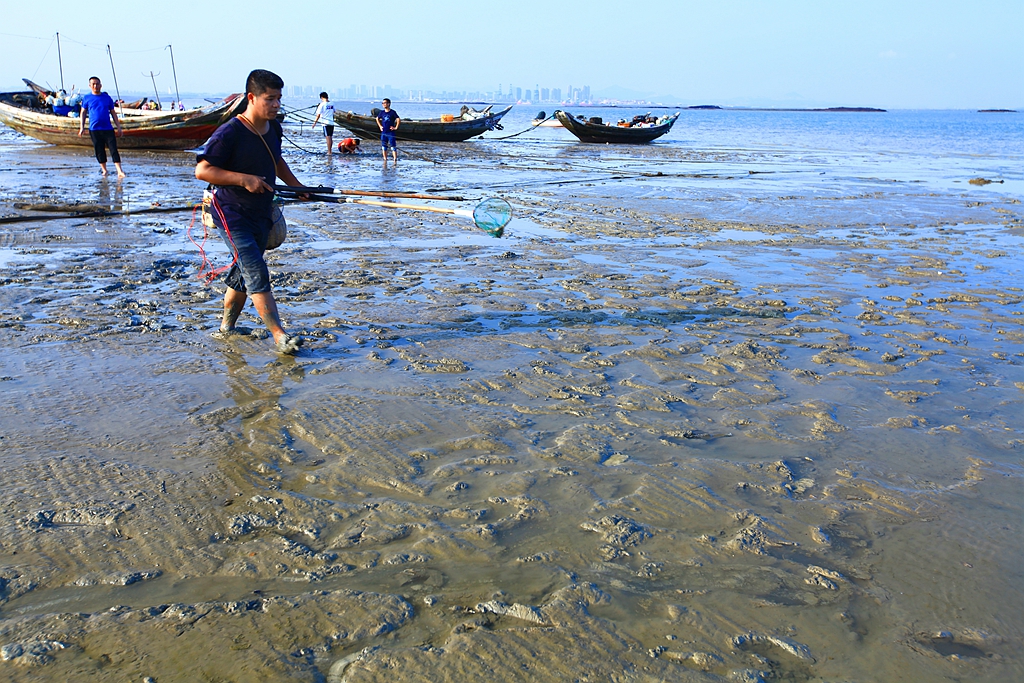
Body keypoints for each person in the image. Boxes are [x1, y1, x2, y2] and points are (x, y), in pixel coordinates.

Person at [195, 69, 308, 355]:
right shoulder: (230, 132)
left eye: (279, 98)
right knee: (255, 269)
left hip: (262, 213)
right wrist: (244, 179)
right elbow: (203, 170)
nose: (276, 104)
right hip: (232, 214)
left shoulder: (274, 129)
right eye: (270, 99)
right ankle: (279, 335)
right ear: (251, 98)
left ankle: (226, 328)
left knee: (243, 272)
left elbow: (276, 160)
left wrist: (296, 187)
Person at [78, 76, 126, 178]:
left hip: (108, 128)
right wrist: (81, 127)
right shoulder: (87, 98)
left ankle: (119, 171)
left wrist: (119, 127)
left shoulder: (106, 98)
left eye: (97, 84)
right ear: (90, 86)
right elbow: (83, 112)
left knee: (113, 149)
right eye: (93, 84)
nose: (96, 86)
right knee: (99, 150)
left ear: (101, 85)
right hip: (94, 129)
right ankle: (104, 170)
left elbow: (113, 113)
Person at [376, 98, 400, 164]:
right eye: (382, 103)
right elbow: (377, 119)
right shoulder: (382, 112)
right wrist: (380, 126)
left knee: (393, 146)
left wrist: (396, 127)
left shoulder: (392, 112)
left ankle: (395, 159)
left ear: (388, 104)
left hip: (390, 132)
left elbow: (398, 119)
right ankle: (385, 159)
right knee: (384, 146)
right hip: (384, 132)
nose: (383, 104)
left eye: (385, 103)